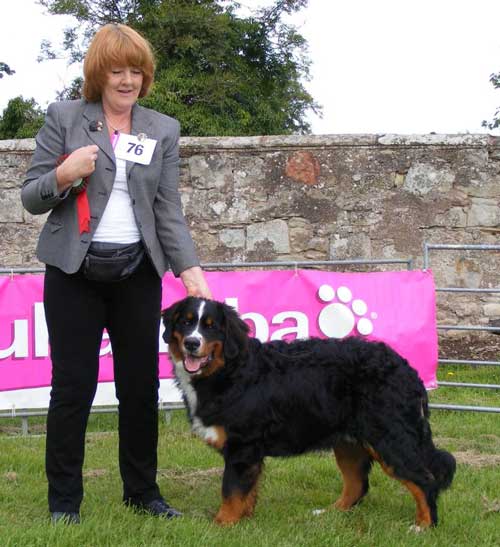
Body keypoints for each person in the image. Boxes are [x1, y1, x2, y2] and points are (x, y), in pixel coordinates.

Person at [21, 23, 211, 524]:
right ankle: (65, 503)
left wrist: (191, 273)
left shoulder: (162, 128)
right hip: (74, 273)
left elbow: (168, 210)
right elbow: (30, 196)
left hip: (138, 274)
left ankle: (142, 493)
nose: (127, 80)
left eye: (136, 71)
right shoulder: (63, 118)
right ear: (98, 74)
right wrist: (63, 174)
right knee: (73, 388)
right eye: (116, 70)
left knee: (139, 387)